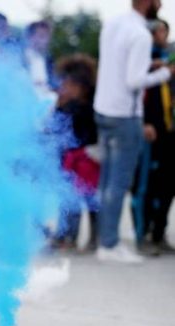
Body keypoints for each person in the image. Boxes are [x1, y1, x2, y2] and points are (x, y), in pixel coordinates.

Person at [93, 0, 174, 263]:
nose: (161, 4)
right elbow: (134, 81)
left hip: (103, 109)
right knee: (119, 183)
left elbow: (118, 66)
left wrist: (150, 65)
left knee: (106, 182)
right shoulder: (140, 34)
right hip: (125, 115)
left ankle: (103, 240)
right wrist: (165, 74)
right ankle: (109, 245)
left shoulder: (114, 24)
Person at [48, 55, 100, 253]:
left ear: (83, 86)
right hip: (68, 160)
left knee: (90, 200)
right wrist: (59, 107)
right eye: (64, 83)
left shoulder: (92, 106)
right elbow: (54, 129)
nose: (65, 88)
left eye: (70, 84)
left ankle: (94, 238)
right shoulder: (64, 105)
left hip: (88, 159)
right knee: (68, 199)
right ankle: (66, 236)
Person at [132, 19, 175, 256]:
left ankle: (159, 232)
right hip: (150, 130)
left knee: (168, 185)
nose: (160, 34)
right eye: (156, 31)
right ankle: (143, 233)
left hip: (170, 132)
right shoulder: (142, 57)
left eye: (163, 30)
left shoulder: (170, 57)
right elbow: (137, 91)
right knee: (146, 184)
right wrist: (144, 122)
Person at [25, 21, 57, 100]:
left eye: (47, 36)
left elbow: (53, 84)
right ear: (30, 37)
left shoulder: (49, 61)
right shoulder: (20, 59)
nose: (46, 40)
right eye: (41, 36)